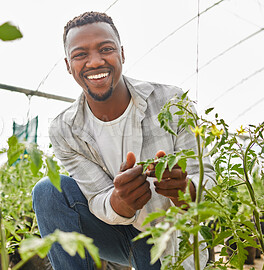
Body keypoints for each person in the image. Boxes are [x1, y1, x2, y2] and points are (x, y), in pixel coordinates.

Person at [32, 11, 215, 270]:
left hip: (169, 236)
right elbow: (97, 196)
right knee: (49, 191)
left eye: (105, 49)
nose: (94, 62)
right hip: (116, 232)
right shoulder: (65, 129)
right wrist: (121, 201)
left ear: (122, 53)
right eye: (80, 54)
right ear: (68, 65)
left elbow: (205, 177)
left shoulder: (171, 102)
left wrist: (186, 191)